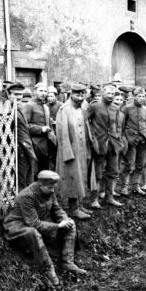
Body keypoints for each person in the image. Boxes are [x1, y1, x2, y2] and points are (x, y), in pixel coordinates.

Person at [2, 170, 87, 288]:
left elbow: (57, 209)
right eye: (50, 187)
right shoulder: (27, 196)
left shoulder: (49, 191)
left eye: (53, 187)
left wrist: (64, 220)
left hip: (39, 221)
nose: (52, 190)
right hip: (19, 225)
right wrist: (57, 226)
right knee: (34, 233)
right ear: (40, 184)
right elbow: (33, 223)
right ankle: (49, 269)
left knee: (70, 223)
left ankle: (68, 262)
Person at [55, 83, 95, 220]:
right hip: (71, 149)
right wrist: (67, 152)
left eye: (83, 94)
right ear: (71, 94)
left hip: (83, 147)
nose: (80, 97)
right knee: (73, 177)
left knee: (82, 175)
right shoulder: (64, 109)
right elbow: (62, 133)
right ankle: (73, 208)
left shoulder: (83, 107)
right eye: (78, 94)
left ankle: (79, 204)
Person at [86, 83, 125, 207]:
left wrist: (118, 139)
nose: (110, 96)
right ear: (103, 93)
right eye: (108, 93)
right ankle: (94, 199)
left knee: (113, 171)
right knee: (97, 172)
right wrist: (92, 137)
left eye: (113, 94)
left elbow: (117, 125)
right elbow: (86, 122)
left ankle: (109, 197)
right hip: (99, 144)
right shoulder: (95, 106)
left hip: (113, 144)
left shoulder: (115, 108)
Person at [121, 87, 146, 195]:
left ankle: (136, 186)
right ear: (134, 97)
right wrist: (126, 137)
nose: (141, 98)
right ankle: (124, 187)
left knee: (140, 164)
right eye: (139, 96)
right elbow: (122, 125)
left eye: (143, 96)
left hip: (143, 141)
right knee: (129, 165)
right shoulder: (127, 108)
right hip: (130, 141)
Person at [6, 82, 37, 191]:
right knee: (20, 181)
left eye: (20, 94)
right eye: (15, 94)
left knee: (27, 178)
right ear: (9, 95)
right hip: (17, 151)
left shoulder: (19, 109)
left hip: (25, 150)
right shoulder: (6, 111)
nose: (18, 97)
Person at [23, 82, 58, 178]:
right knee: (36, 170)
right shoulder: (29, 105)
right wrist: (41, 129)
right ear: (35, 92)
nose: (43, 93)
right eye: (41, 91)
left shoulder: (45, 106)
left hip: (47, 142)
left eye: (45, 91)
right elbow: (25, 125)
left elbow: (49, 123)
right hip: (35, 143)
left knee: (46, 168)